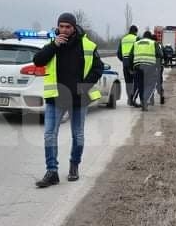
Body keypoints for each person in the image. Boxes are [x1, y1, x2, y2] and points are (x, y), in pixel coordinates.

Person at [33, 12, 104, 187]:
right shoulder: (52, 44)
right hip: (56, 98)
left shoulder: (87, 45)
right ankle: (52, 172)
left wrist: (84, 86)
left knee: (77, 135)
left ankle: (74, 166)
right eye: (61, 26)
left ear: (74, 27)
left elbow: (98, 68)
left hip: (78, 99)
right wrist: (54, 46)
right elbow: (38, 61)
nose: (64, 30)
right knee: (50, 135)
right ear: (57, 27)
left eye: (67, 27)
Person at [129, 30, 162, 111]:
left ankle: (142, 101)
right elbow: (160, 54)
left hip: (138, 67)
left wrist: (131, 68)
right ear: (150, 37)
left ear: (143, 36)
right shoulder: (153, 43)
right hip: (150, 67)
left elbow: (131, 56)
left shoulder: (136, 43)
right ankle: (145, 100)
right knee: (151, 84)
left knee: (140, 85)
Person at [117, 25, 139, 106]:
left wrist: (124, 60)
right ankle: (133, 99)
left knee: (128, 82)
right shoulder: (137, 39)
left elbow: (118, 53)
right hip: (134, 63)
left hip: (125, 64)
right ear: (136, 32)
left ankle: (129, 99)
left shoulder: (123, 39)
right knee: (136, 81)